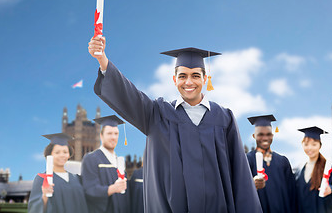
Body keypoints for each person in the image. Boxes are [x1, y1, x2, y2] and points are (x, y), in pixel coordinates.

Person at [88, 36, 262, 213]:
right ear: (174, 79)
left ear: (205, 78)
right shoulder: (157, 114)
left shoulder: (224, 118)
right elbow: (129, 95)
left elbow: (240, 174)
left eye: (195, 75)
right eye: (182, 76)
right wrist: (103, 60)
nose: (188, 82)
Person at [246, 114, 297, 213]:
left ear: (272, 136)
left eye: (268, 134)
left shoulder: (283, 161)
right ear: (254, 136)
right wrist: (251, 184)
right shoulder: (247, 160)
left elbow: (292, 193)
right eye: (261, 134)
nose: (265, 138)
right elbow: (238, 188)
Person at [28, 133, 88, 213]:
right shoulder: (42, 179)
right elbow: (34, 208)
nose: (62, 155)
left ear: (69, 154)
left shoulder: (77, 178)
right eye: (57, 152)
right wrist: (45, 196)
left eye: (65, 152)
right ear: (50, 155)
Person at [81, 115, 130, 213]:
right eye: (109, 133)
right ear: (101, 136)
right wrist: (112, 189)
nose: (113, 137)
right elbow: (89, 190)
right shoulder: (91, 158)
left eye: (116, 133)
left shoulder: (119, 162)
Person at [295, 126, 332, 213]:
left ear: (320, 145)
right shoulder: (299, 171)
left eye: (314, 144)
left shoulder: (331, 169)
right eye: (306, 144)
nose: (309, 148)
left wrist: (331, 191)